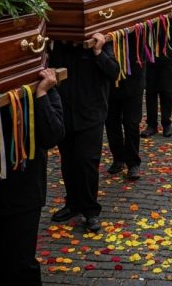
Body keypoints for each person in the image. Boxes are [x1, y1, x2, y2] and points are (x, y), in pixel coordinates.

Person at [0, 69, 65, 286]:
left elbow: (52, 135)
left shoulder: (41, 86)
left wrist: (42, 94)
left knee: (19, 268)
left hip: (22, 195)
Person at [49, 32, 120, 233]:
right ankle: (72, 203)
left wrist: (98, 51)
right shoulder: (59, 46)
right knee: (68, 160)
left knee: (87, 162)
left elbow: (114, 71)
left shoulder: (101, 42)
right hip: (65, 112)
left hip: (91, 113)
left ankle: (90, 211)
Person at [105, 31, 146, 180]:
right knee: (111, 123)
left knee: (131, 123)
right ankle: (118, 158)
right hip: (110, 83)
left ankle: (133, 163)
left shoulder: (137, 27)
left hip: (133, 79)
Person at [142, 7, 172, 137]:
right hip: (151, 59)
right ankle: (151, 124)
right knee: (151, 92)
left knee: (166, 92)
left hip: (168, 60)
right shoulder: (149, 18)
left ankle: (166, 123)